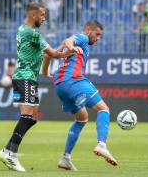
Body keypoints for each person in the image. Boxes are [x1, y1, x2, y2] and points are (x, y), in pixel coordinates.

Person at [0, 2, 78, 172]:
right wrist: (69, 50)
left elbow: (45, 53)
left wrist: (45, 69)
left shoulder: (22, 29)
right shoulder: (31, 33)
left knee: (32, 117)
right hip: (24, 77)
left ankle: (7, 150)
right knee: (27, 116)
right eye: (42, 14)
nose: (44, 18)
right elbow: (53, 54)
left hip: (28, 77)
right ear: (33, 15)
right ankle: (10, 153)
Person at [49, 20, 117, 171]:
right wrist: (72, 46)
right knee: (103, 109)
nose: (98, 38)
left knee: (82, 118)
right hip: (73, 80)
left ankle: (65, 158)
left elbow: (51, 53)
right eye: (97, 34)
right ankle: (102, 144)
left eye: (100, 36)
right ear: (88, 29)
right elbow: (69, 41)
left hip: (59, 85)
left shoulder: (79, 41)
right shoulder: (83, 37)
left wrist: (44, 71)